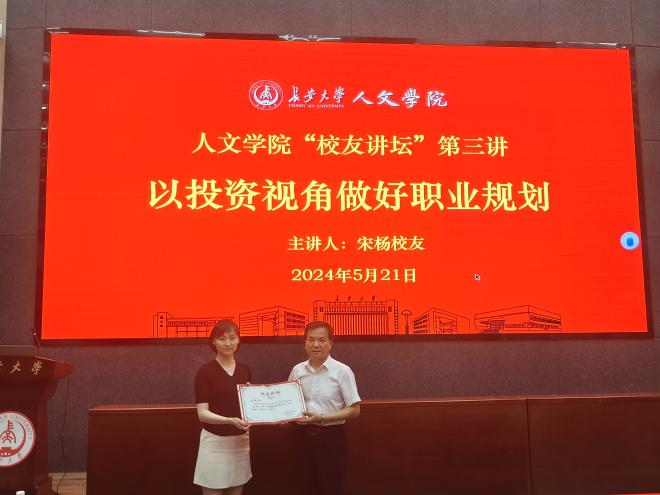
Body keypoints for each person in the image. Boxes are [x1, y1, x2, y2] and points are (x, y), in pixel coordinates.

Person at [288, 321, 361, 495]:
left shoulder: (342, 371)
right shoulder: (297, 370)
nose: (315, 344)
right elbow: (287, 402)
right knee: (303, 488)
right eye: (311, 339)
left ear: (330, 343)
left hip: (331, 439)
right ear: (305, 342)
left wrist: (322, 418)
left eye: (321, 340)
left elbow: (355, 410)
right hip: (301, 438)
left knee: (331, 488)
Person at [193, 320, 252, 495]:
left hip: (240, 442)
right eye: (222, 339)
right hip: (214, 443)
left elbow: (248, 408)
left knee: (237, 489)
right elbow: (202, 414)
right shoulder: (205, 372)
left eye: (232, 338)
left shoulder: (245, 370)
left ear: (238, 340)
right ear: (213, 342)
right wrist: (229, 421)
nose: (228, 343)